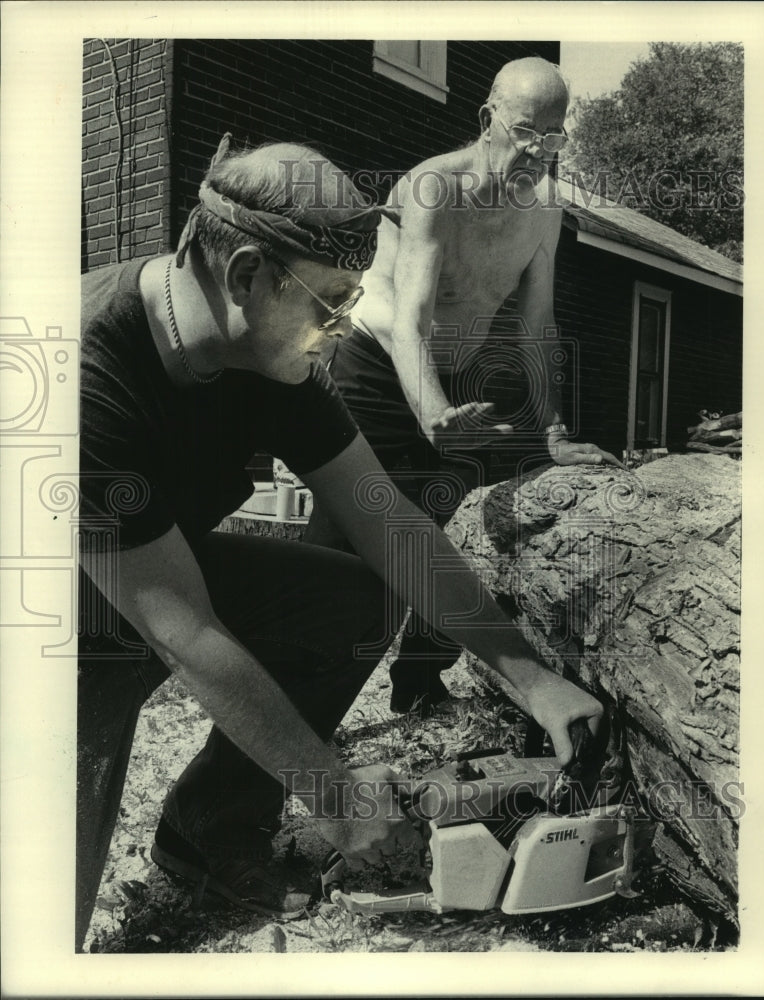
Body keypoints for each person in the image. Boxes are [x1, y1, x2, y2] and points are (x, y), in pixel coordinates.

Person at [77, 133, 603, 951]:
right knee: (46, 886)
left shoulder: (271, 355)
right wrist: (336, 797)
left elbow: (388, 523)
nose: (343, 325)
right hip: (47, 599)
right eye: (330, 303)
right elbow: (182, 630)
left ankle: (209, 831)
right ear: (245, 273)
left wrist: (530, 676)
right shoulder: (85, 370)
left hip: (147, 566)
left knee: (345, 598)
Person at [305, 57, 625, 715]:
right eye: (527, 133)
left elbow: (538, 325)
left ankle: (420, 686)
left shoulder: (543, 213)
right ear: (488, 121)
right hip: (374, 364)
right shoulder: (433, 188)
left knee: (455, 532)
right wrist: (431, 412)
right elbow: (411, 316)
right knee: (347, 553)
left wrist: (554, 431)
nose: (539, 153)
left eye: (554, 139)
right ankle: (298, 704)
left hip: (452, 377)